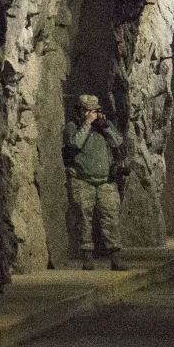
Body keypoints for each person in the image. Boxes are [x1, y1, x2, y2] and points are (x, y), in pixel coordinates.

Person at [63, 94, 125, 271]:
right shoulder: (72, 127)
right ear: (81, 111)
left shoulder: (104, 127)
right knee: (84, 219)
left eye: (95, 111)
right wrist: (87, 124)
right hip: (83, 181)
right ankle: (87, 257)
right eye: (89, 111)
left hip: (105, 181)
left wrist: (105, 127)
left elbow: (118, 142)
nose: (93, 114)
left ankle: (115, 257)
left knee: (111, 218)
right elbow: (74, 143)